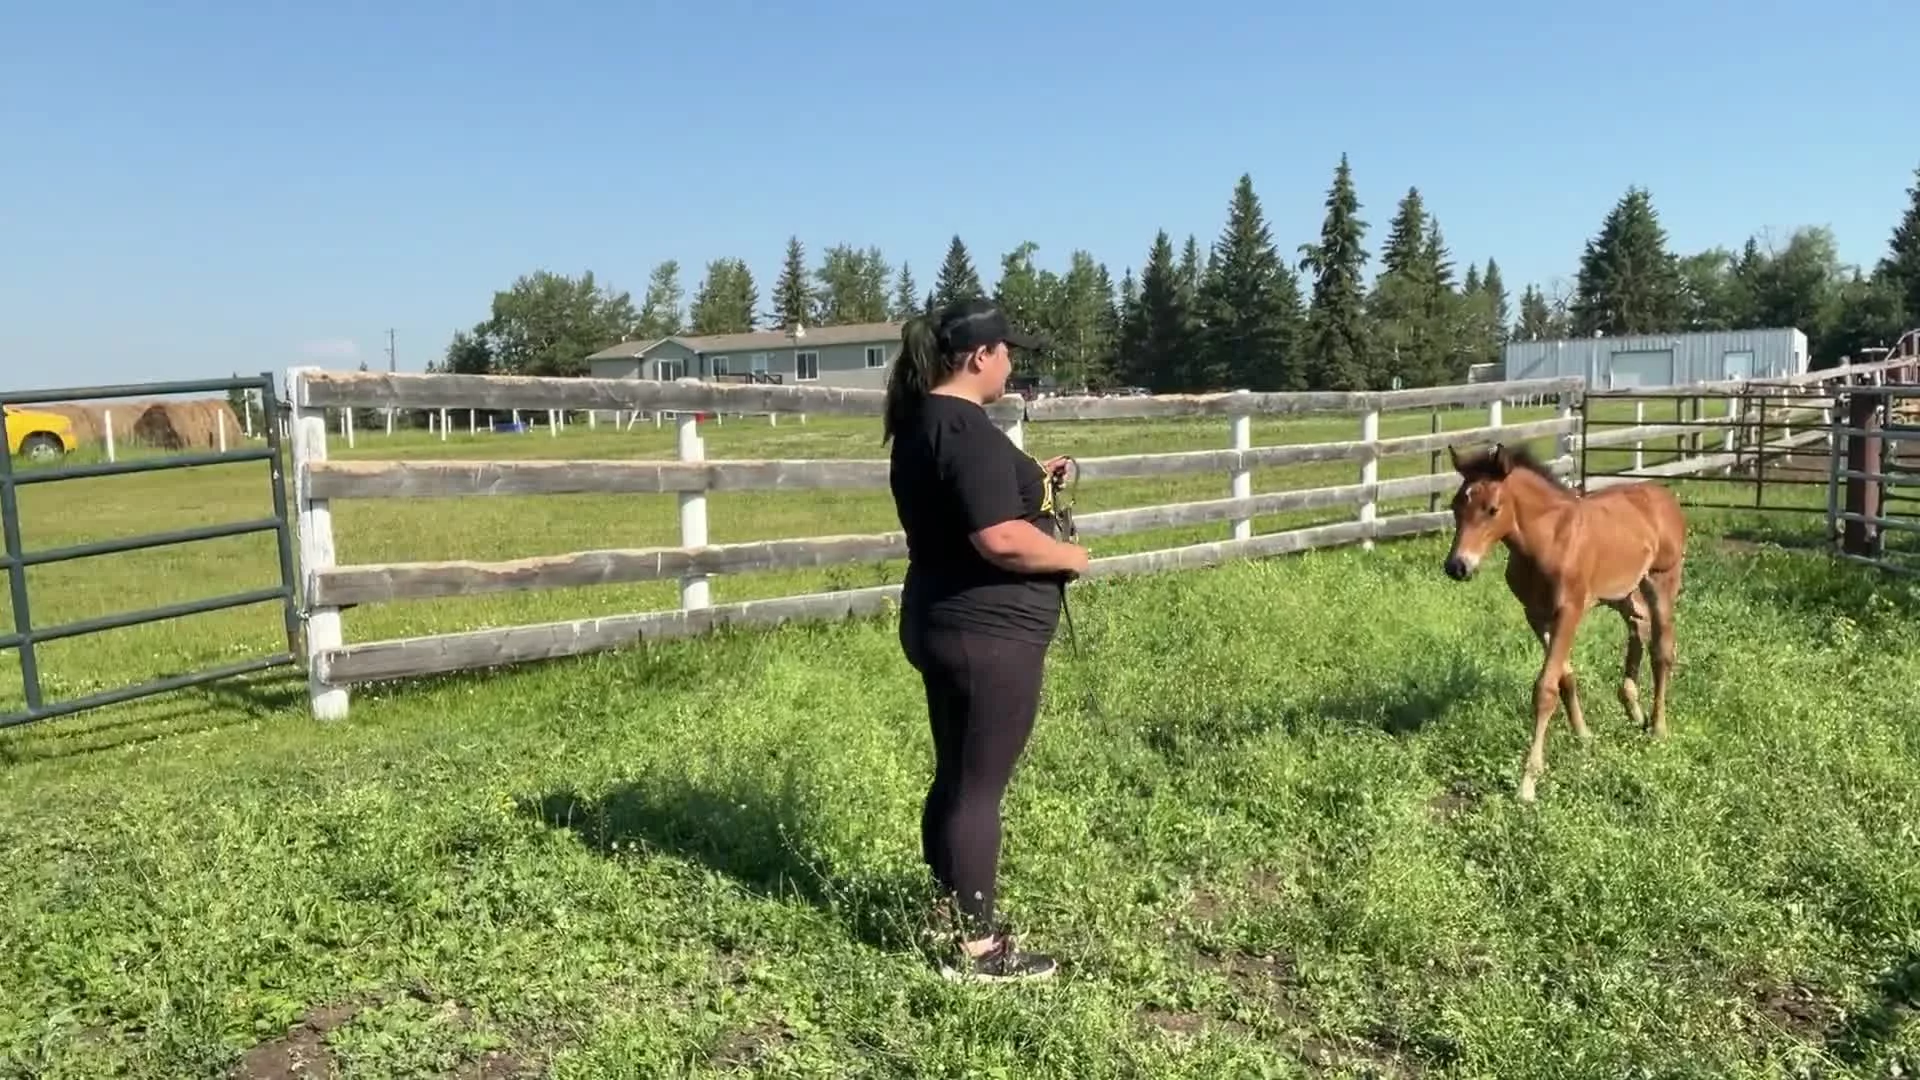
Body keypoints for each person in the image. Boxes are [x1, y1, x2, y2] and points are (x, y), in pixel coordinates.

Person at [882, 296, 1089, 983]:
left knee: (958, 775)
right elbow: (998, 538)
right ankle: (977, 951)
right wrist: (1070, 557)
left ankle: (948, 912)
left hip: (945, 617)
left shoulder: (926, 423)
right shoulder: (964, 428)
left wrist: (1032, 480)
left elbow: (981, 503)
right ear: (979, 357)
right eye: (1007, 352)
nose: (1011, 364)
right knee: (978, 789)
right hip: (985, 633)